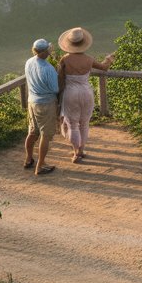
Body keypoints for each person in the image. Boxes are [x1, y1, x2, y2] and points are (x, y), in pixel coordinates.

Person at [56, 26, 114, 162]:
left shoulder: (64, 59)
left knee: (72, 124)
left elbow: (60, 78)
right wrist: (109, 59)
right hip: (86, 92)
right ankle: (81, 151)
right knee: (84, 123)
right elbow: (104, 68)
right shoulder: (89, 59)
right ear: (83, 43)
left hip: (70, 93)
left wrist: (58, 96)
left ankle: (76, 153)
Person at [24, 38, 59, 175]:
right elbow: (55, 89)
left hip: (32, 102)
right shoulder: (48, 69)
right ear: (46, 52)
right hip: (45, 104)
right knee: (45, 134)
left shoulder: (29, 62)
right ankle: (40, 165)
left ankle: (28, 159)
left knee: (32, 132)